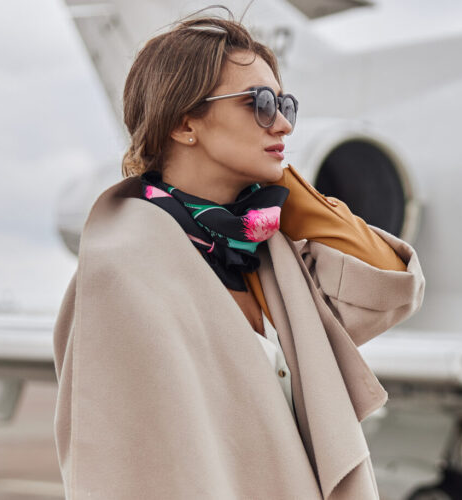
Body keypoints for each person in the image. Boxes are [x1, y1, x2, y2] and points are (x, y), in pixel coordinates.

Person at [51, 13, 425, 499]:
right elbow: (122, 471)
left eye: (285, 105)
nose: (284, 123)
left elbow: (389, 284)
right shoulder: (124, 273)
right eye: (260, 104)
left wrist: (291, 188)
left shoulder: (263, 252)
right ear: (185, 122)